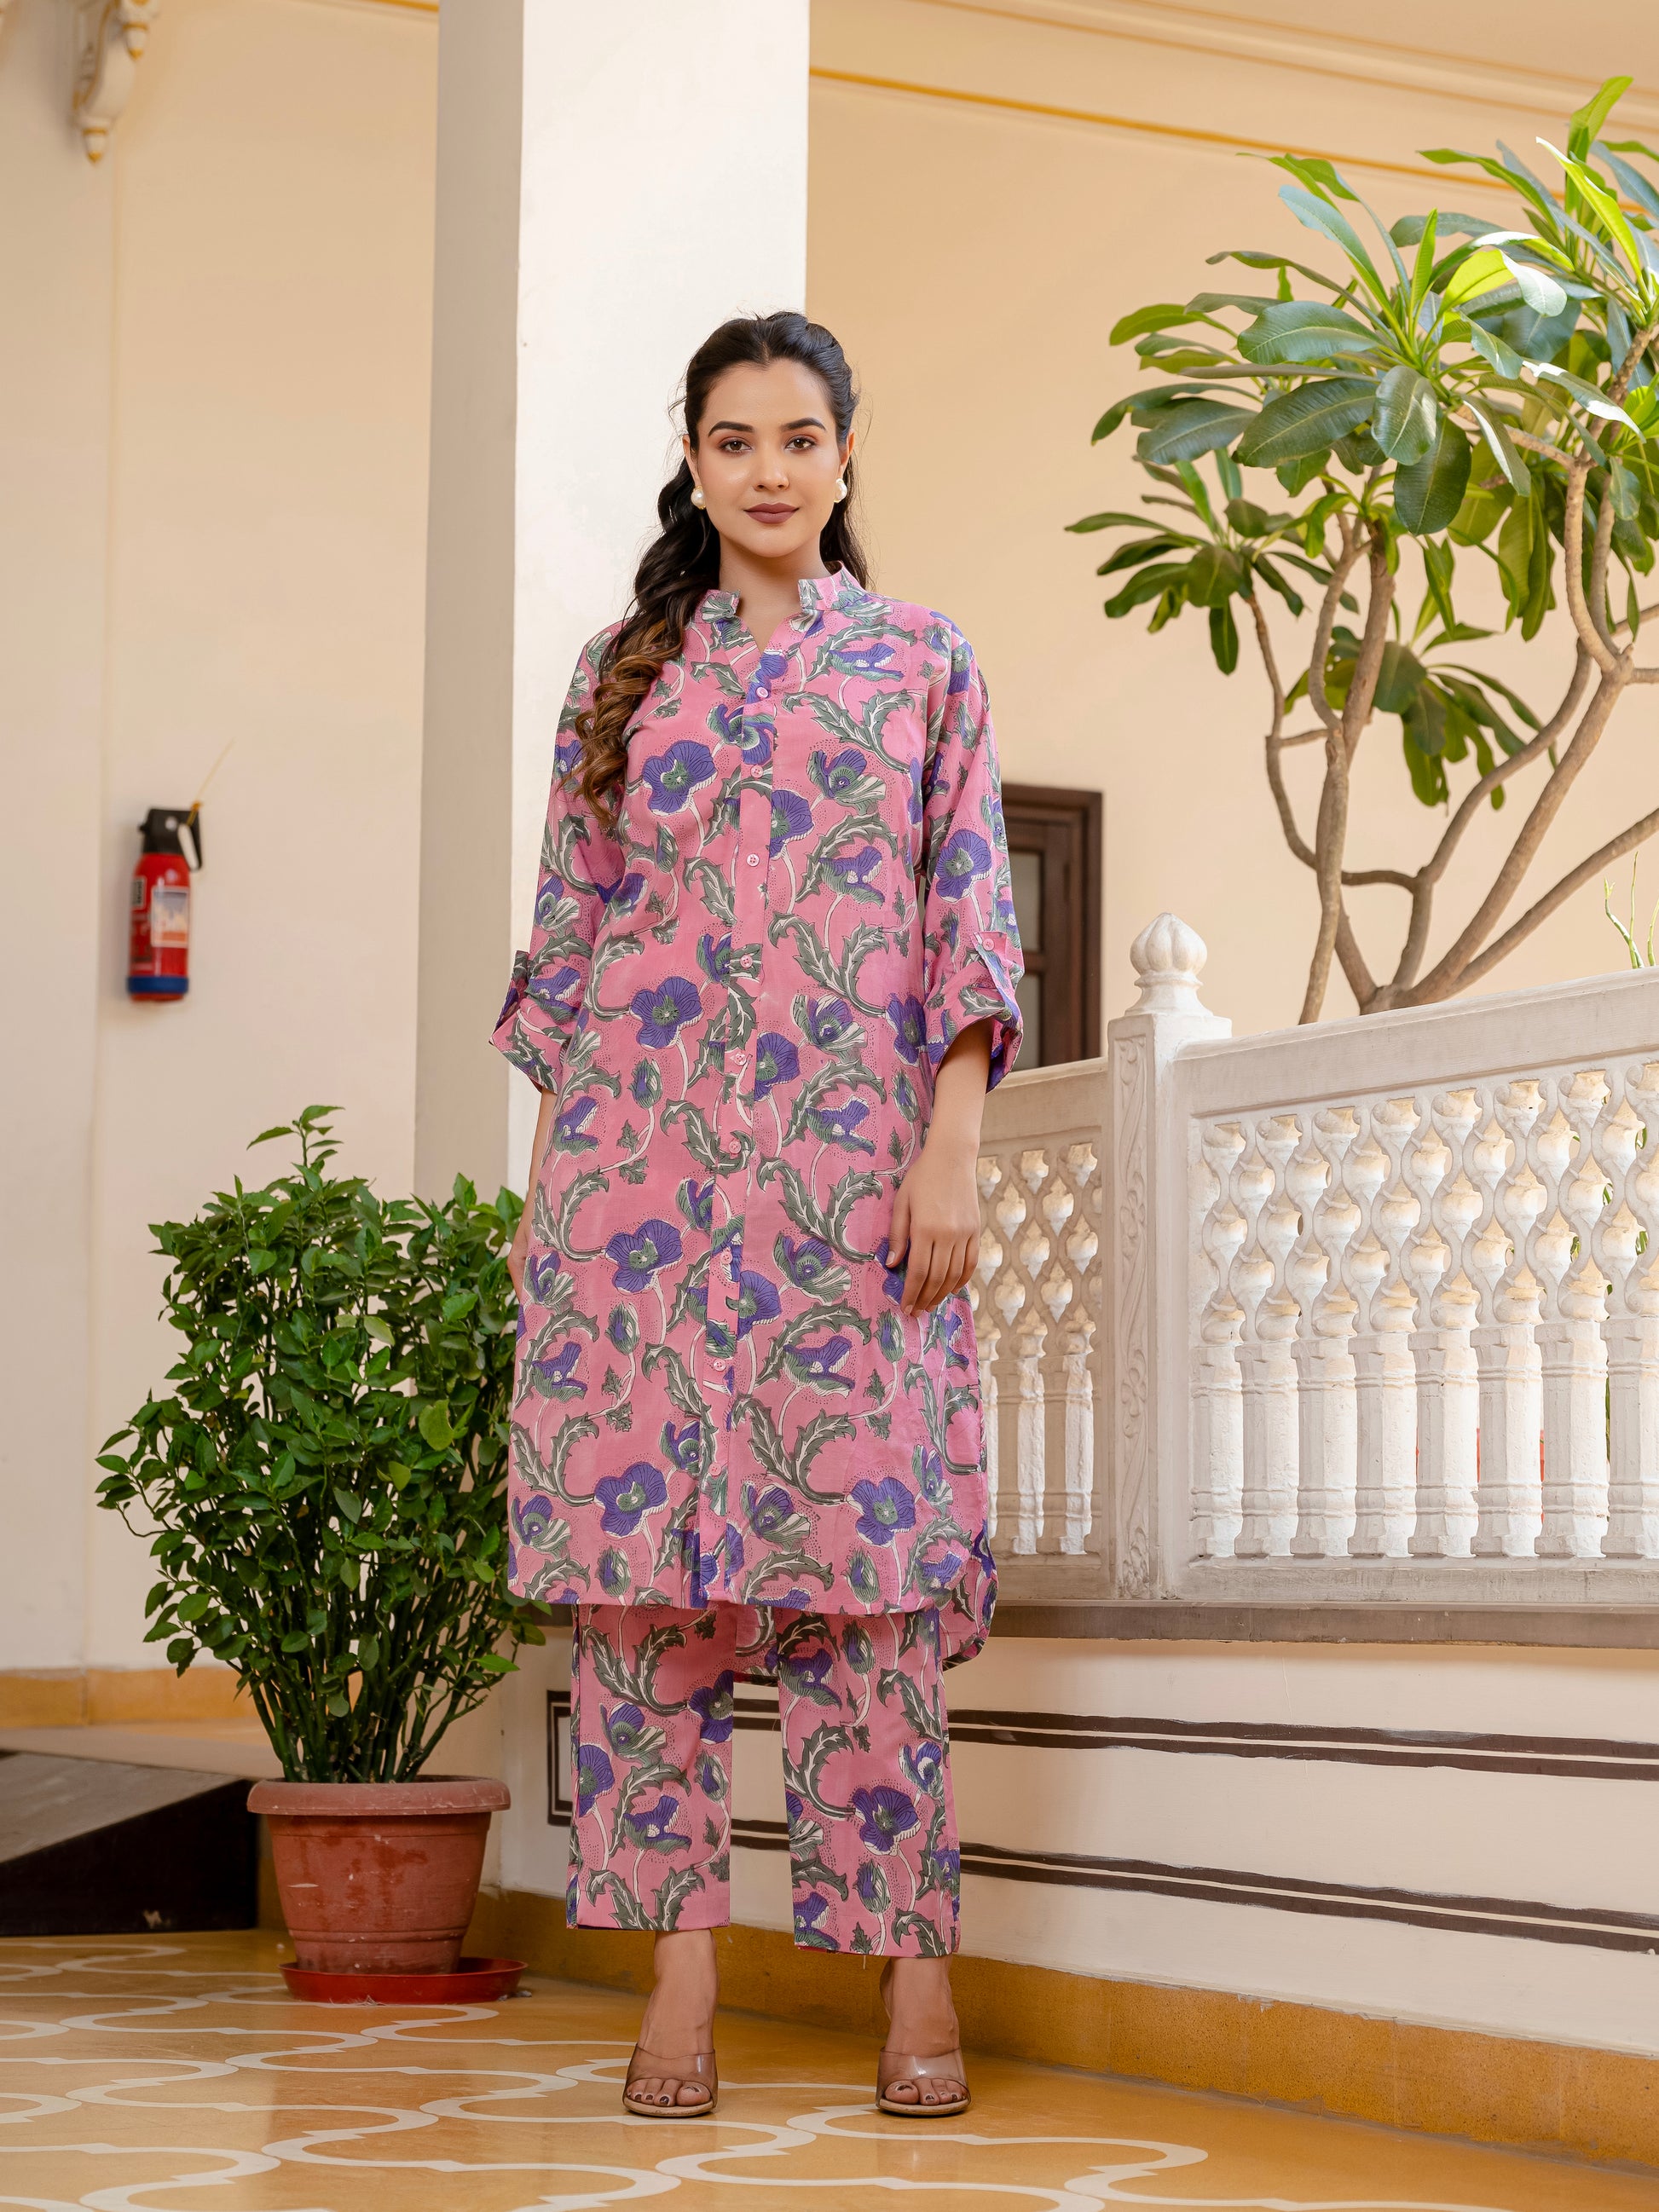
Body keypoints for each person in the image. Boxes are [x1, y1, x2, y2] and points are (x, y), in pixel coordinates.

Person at [493, 310, 1024, 2121]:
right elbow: (573, 942)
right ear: (695, 461)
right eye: (736, 440)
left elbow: (966, 910)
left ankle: (911, 1979)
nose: (770, 470)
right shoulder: (622, 674)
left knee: (866, 1590)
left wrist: (950, 1144)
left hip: (848, 1191)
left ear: (845, 455)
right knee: (642, 1603)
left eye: (800, 438)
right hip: (635, 1193)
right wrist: (550, 1195)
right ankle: (680, 1980)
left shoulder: (922, 662)